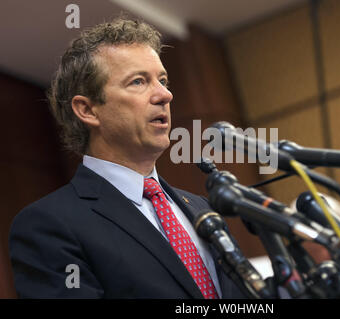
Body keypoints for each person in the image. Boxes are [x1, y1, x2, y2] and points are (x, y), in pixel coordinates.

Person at [9, 18, 246, 299]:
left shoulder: (202, 208)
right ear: (87, 110)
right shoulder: (49, 225)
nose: (165, 95)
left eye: (163, 80)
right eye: (138, 81)